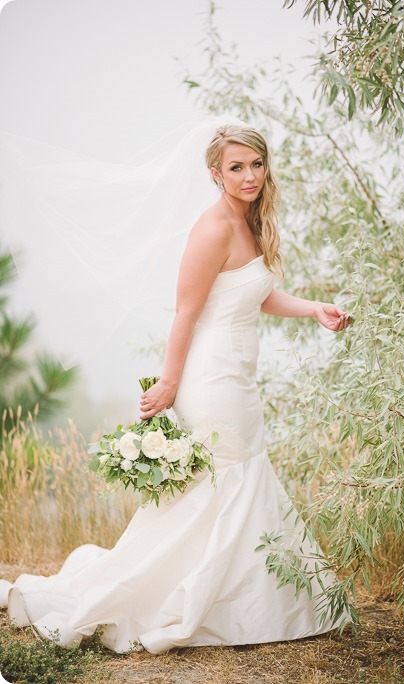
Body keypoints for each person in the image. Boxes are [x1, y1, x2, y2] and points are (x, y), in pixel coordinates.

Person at [0, 122, 352, 654]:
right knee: (226, 481)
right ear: (216, 173)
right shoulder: (213, 228)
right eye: (236, 167)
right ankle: (170, 599)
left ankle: (251, 601)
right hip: (211, 377)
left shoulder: (249, 221)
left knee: (233, 481)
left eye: (256, 164)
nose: (250, 175)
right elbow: (186, 314)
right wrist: (168, 382)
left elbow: (253, 294)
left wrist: (313, 309)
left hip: (238, 376)